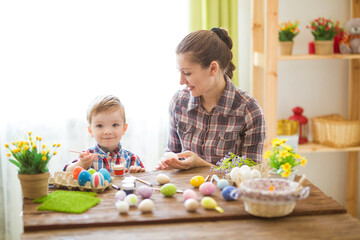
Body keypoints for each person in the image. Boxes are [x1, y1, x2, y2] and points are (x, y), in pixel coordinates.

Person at [157, 28, 266, 170]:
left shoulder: (248, 111)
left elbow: (251, 175)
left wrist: (202, 165)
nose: (181, 81)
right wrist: (168, 161)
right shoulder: (179, 102)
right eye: (180, 72)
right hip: (184, 191)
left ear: (213, 68)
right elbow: (172, 151)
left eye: (187, 73)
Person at [64, 95, 145, 173]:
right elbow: (65, 173)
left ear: (124, 128)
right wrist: (81, 164)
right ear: (90, 130)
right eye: (99, 126)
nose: (107, 132)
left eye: (115, 125)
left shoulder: (132, 159)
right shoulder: (87, 157)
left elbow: (145, 182)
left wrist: (137, 174)